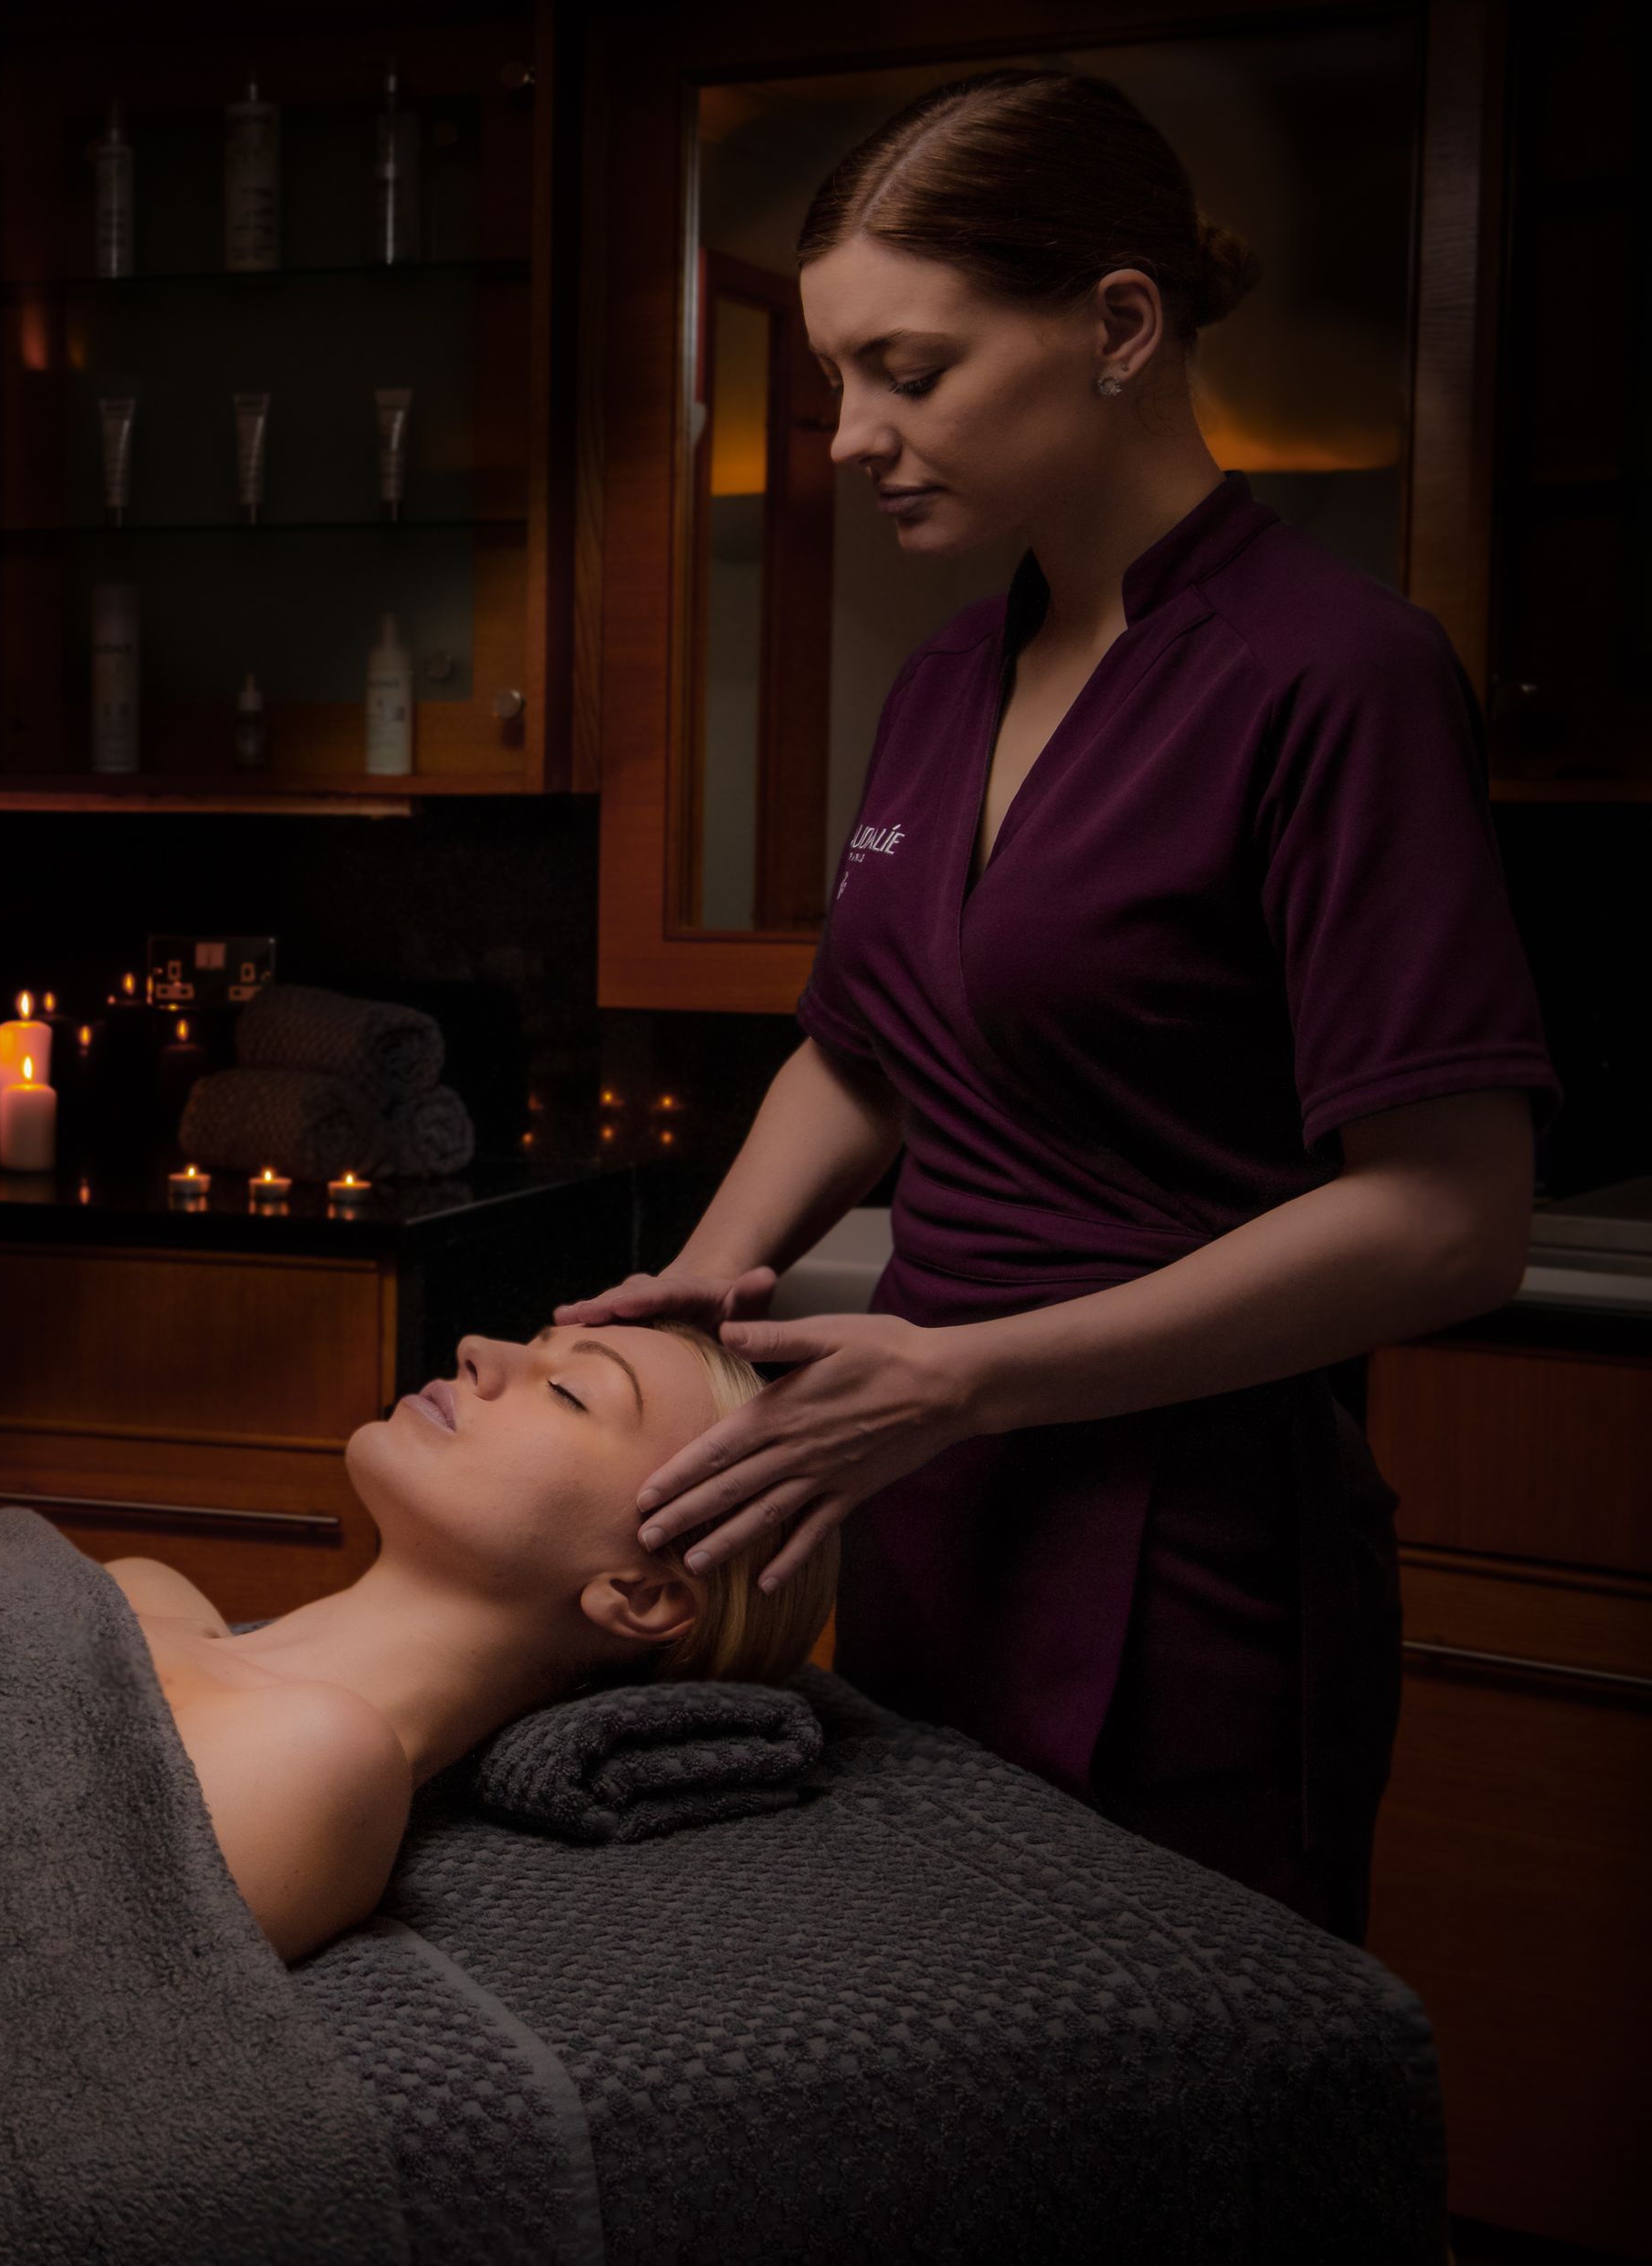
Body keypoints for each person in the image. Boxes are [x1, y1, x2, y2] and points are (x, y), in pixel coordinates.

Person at [552, 70, 1557, 1938]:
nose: (850, 435)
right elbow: (868, 1050)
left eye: (907, 372)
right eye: (839, 377)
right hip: (936, 1507)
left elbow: (1453, 1219)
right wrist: (713, 1268)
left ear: (1117, 325)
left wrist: (974, 1371)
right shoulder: (951, 676)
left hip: (1194, 1556)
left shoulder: (1336, 681)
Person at [111, 1320, 825, 1961]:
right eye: (533, 1339)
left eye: (571, 1392)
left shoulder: (322, 1757)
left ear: (640, 1595)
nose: (477, 1348)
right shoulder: (147, 1589)